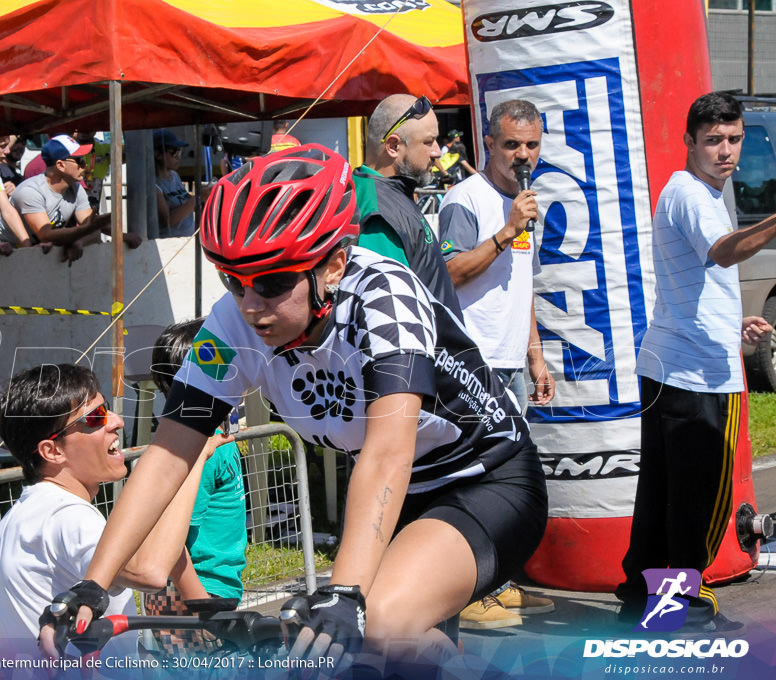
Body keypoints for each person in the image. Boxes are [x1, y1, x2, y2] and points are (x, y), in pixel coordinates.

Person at [38, 145, 548, 673]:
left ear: (334, 264)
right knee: (390, 654)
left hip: (485, 481)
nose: (251, 305)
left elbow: (387, 453)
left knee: (375, 626)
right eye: (233, 281)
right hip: (402, 495)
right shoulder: (232, 323)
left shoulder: (383, 296)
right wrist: (92, 586)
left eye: (274, 283)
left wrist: (344, 592)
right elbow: (170, 451)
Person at [616, 91, 776, 630]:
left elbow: (696, 283)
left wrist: (734, 325)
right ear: (689, 142)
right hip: (695, 374)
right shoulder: (689, 192)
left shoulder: (703, 194)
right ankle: (680, 604)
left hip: (674, 363)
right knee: (699, 501)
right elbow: (723, 251)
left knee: (663, 493)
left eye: (733, 140)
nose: (724, 151)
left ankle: (642, 597)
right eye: (712, 141)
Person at [0, 363, 224, 662]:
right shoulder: (69, 516)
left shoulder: (23, 514)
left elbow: (151, 545)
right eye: (95, 418)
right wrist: (192, 459)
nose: (117, 421)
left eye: (107, 408)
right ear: (53, 451)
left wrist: (203, 607)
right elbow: (148, 571)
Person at [437, 99, 556, 630]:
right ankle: (466, 590)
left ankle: (500, 580)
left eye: (531, 144)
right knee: (474, 479)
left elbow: (520, 286)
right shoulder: (466, 199)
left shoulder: (528, 204)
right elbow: (449, 272)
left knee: (509, 482)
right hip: (471, 362)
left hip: (510, 360)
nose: (522, 155)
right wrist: (506, 232)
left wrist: (535, 355)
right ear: (489, 144)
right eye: (511, 144)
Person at [140, 319, 248, 654]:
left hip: (199, 593)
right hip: (194, 596)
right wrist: (203, 608)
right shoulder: (204, 450)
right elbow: (171, 542)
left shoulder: (209, 442)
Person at [353, 94, 461, 316]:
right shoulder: (378, 211)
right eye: (428, 142)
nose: (437, 152)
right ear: (393, 146)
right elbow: (387, 312)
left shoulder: (389, 193)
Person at [0, 134, 140, 261]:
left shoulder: (75, 187)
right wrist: (78, 236)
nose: (85, 166)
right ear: (60, 165)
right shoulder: (31, 191)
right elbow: (46, 235)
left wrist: (122, 236)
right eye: (80, 161)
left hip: (29, 248)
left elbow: (91, 225)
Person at [153, 129, 197, 238]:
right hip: (169, 245)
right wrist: (196, 200)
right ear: (157, 154)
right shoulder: (153, 185)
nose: (178, 156)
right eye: (174, 152)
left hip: (186, 240)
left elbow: (184, 206)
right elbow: (167, 222)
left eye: (180, 152)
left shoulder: (174, 176)